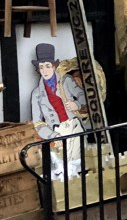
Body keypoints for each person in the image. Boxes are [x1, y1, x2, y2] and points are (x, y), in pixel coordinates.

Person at [30, 43, 87, 177]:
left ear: (54, 66)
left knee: (79, 164)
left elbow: (85, 97)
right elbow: (37, 123)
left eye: (48, 66)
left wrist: (76, 105)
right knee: (63, 169)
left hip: (74, 125)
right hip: (57, 131)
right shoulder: (37, 94)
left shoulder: (66, 81)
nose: (45, 70)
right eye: (41, 67)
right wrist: (53, 136)